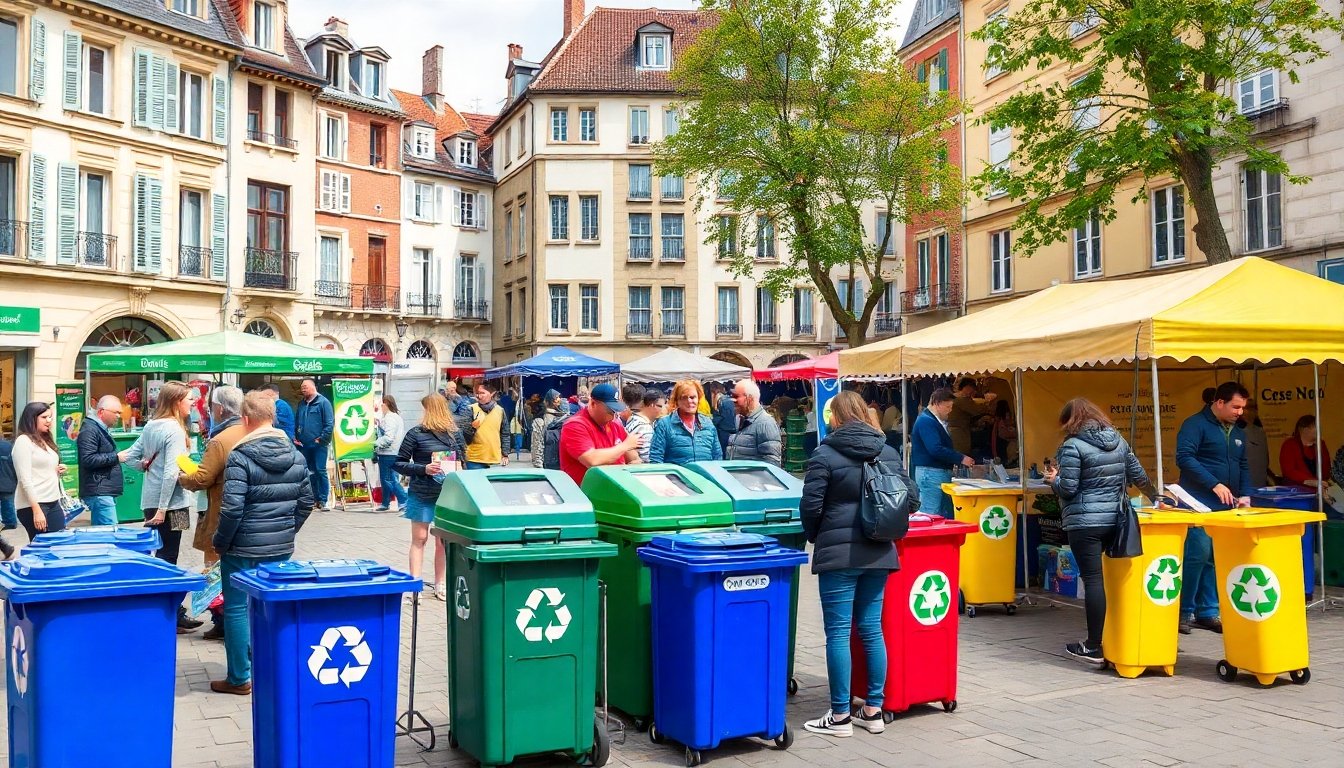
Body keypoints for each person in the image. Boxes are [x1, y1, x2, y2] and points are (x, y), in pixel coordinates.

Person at [800, 391, 915, 738]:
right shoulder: (887, 451)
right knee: (871, 629)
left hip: (839, 555)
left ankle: (839, 716)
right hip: (879, 552)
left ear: (835, 417)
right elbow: (912, 499)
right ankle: (873, 710)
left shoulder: (825, 454)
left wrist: (817, 535)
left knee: (837, 632)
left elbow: (811, 506)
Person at [210, 391, 314, 695]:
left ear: (245, 419)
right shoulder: (296, 455)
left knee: (236, 608)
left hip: (241, 547)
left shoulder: (240, 456)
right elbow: (306, 503)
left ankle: (239, 677)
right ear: (273, 417)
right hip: (279, 547)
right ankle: (272, 668)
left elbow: (232, 509)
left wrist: (221, 542)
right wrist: (286, 531)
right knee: (271, 607)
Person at [1042, 398, 1153, 665]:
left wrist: (1054, 480)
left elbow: (1068, 488)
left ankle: (1093, 646)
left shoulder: (1072, 445)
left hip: (1085, 523)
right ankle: (1121, 637)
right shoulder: (1118, 440)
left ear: (1069, 421)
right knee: (1116, 579)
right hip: (1116, 521)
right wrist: (1157, 496)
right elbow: (1139, 475)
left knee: (1093, 580)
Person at [119, 381, 201, 632]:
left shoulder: (151, 425)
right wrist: (163, 509)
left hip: (151, 500)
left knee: (163, 556)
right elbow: (170, 473)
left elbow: (128, 456)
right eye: (189, 400)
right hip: (172, 505)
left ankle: (170, 610)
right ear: (176, 402)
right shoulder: (174, 429)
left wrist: (144, 468)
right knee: (169, 558)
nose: (193, 404)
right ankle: (170, 612)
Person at [1175, 381, 1252, 635]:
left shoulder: (1237, 432)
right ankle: (1183, 612)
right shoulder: (1194, 424)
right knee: (1197, 554)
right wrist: (1214, 484)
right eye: (1236, 407)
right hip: (1197, 501)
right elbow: (1184, 458)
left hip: (1226, 506)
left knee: (1215, 557)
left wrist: (1246, 494)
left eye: (1242, 407)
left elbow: (1243, 465)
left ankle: (1207, 612)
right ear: (1219, 403)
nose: (1240, 412)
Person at [179, 385, 247, 641]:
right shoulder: (250, 430)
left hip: (220, 512)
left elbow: (203, 477)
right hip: (249, 517)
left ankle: (223, 622)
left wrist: (184, 478)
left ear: (219, 408)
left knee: (216, 570)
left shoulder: (221, 439)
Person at [395, 395, 466, 600]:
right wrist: (423, 468)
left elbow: (463, 460)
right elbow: (399, 463)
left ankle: (440, 583)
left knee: (442, 540)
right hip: (422, 492)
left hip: (447, 495)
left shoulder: (455, 434)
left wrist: (459, 468)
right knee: (420, 538)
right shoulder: (416, 433)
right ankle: (415, 584)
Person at [11, 402, 70, 554]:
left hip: (53, 502)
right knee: (43, 550)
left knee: (59, 547)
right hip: (35, 504)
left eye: (50, 417)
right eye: (44, 417)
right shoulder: (23, 441)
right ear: (32, 418)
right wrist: (36, 510)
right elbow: (25, 479)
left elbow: (41, 469)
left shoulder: (45, 439)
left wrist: (57, 469)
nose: (49, 421)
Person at [558, 382, 641, 485]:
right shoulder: (575, 425)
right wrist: (624, 446)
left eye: (615, 411)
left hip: (614, 487)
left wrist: (635, 462)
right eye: (610, 411)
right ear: (593, 403)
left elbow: (632, 455)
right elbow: (592, 460)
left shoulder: (614, 423)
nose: (613, 415)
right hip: (585, 491)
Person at [910, 389, 975, 518]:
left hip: (935, 473)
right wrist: (961, 458)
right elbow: (935, 449)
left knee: (937, 513)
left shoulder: (931, 420)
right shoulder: (926, 421)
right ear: (936, 403)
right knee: (930, 514)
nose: (950, 410)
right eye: (947, 406)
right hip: (931, 473)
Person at [77, 395, 125, 526]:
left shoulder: (99, 429)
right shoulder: (90, 429)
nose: (118, 416)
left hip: (103, 491)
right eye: (116, 412)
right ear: (101, 412)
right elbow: (88, 459)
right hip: (99, 492)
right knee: (108, 532)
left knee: (105, 532)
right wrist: (116, 457)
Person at [650, 380, 722, 465]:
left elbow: (717, 456)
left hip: (706, 473)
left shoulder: (708, 423)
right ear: (676, 401)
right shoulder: (664, 424)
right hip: (677, 474)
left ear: (698, 399)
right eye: (684, 397)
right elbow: (656, 458)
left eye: (693, 397)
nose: (689, 401)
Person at [294, 378, 334, 510]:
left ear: (313, 387)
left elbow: (329, 424)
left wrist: (321, 439)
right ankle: (313, 498)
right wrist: (296, 437)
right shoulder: (302, 404)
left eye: (305, 387)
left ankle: (323, 500)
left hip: (319, 445)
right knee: (309, 472)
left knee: (320, 470)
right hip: (304, 445)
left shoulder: (323, 403)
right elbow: (297, 421)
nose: (303, 389)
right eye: (302, 387)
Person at [727, 379, 783, 466]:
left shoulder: (766, 424)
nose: (733, 400)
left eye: (736, 396)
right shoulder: (742, 420)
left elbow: (771, 465)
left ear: (749, 398)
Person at [464, 383, 510, 469]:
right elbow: (465, 437)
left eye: (482, 393)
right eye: (478, 393)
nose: (479, 396)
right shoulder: (471, 409)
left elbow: (505, 434)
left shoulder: (500, 411)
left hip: (495, 458)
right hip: (475, 458)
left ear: (492, 394)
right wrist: (472, 428)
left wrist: (505, 454)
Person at [947, 378, 997, 457]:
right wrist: (988, 403)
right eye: (972, 389)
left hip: (955, 432)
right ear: (967, 387)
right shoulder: (961, 399)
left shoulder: (954, 397)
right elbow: (976, 410)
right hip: (959, 434)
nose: (973, 392)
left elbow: (968, 416)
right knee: (961, 456)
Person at [374, 395, 408, 512]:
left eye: (382, 404)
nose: (381, 406)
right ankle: (385, 502)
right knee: (391, 478)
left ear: (386, 404)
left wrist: (374, 444)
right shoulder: (396, 417)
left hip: (388, 452)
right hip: (393, 452)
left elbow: (388, 437)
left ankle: (404, 501)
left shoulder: (390, 418)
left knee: (388, 479)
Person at [1280, 415, 1329, 489]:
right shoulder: (1289, 445)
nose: (1320, 430)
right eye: (1316, 427)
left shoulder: (1320, 444)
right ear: (1305, 430)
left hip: (1319, 490)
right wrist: (1309, 481)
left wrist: (1320, 448)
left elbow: (1326, 469)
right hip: (1296, 490)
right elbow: (1289, 471)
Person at [626, 390, 665, 463]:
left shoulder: (634, 419)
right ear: (652, 405)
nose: (663, 409)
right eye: (660, 406)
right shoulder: (644, 427)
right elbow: (647, 458)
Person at [531, 390, 567, 468]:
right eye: (556, 398)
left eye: (559, 397)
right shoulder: (541, 420)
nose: (558, 400)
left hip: (560, 463)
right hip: (552, 463)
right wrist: (538, 465)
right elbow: (537, 444)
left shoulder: (566, 418)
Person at [1241, 399, 1272, 488]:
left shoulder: (1260, 432)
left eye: (1254, 408)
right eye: (1248, 408)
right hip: (1244, 482)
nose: (1251, 412)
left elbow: (1266, 458)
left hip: (1260, 480)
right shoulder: (1236, 432)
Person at [709, 381, 737, 455]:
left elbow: (719, 417)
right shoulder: (730, 399)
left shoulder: (720, 401)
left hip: (724, 431)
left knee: (723, 452)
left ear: (714, 391)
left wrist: (710, 421)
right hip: (734, 430)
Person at [990, 399, 1019, 468]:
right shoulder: (1001, 421)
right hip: (1003, 446)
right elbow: (1004, 434)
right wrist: (1016, 434)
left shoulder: (997, 421)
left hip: (999, 445)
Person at [0, 430, 16, 535]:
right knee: (8, 503)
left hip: (5, 479)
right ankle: (10, 522)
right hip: (8, 480)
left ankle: (9, 522)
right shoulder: (9, 446)